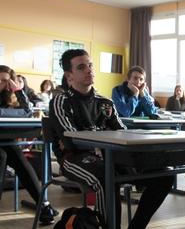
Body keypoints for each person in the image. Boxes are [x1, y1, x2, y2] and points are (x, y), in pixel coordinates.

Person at [50, 49, 174, 228]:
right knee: (105, 177)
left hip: (110, 156)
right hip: (74, 159)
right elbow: (71, 140)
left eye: (90, 65)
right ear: (69, 75)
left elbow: (121, 132)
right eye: (81, 67)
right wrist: (103, 144)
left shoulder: (105, 102)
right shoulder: (61, 101)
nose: (89, 70)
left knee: (164, 175)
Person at [0, 65, 57, 225]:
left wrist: (18, 90)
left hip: (3, 138)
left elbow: (27, 111)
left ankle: (44, 207)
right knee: (2, 155)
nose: (0, 83)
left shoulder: (7, 96)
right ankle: (44, 207)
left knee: (17, 157)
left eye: (4, 80)